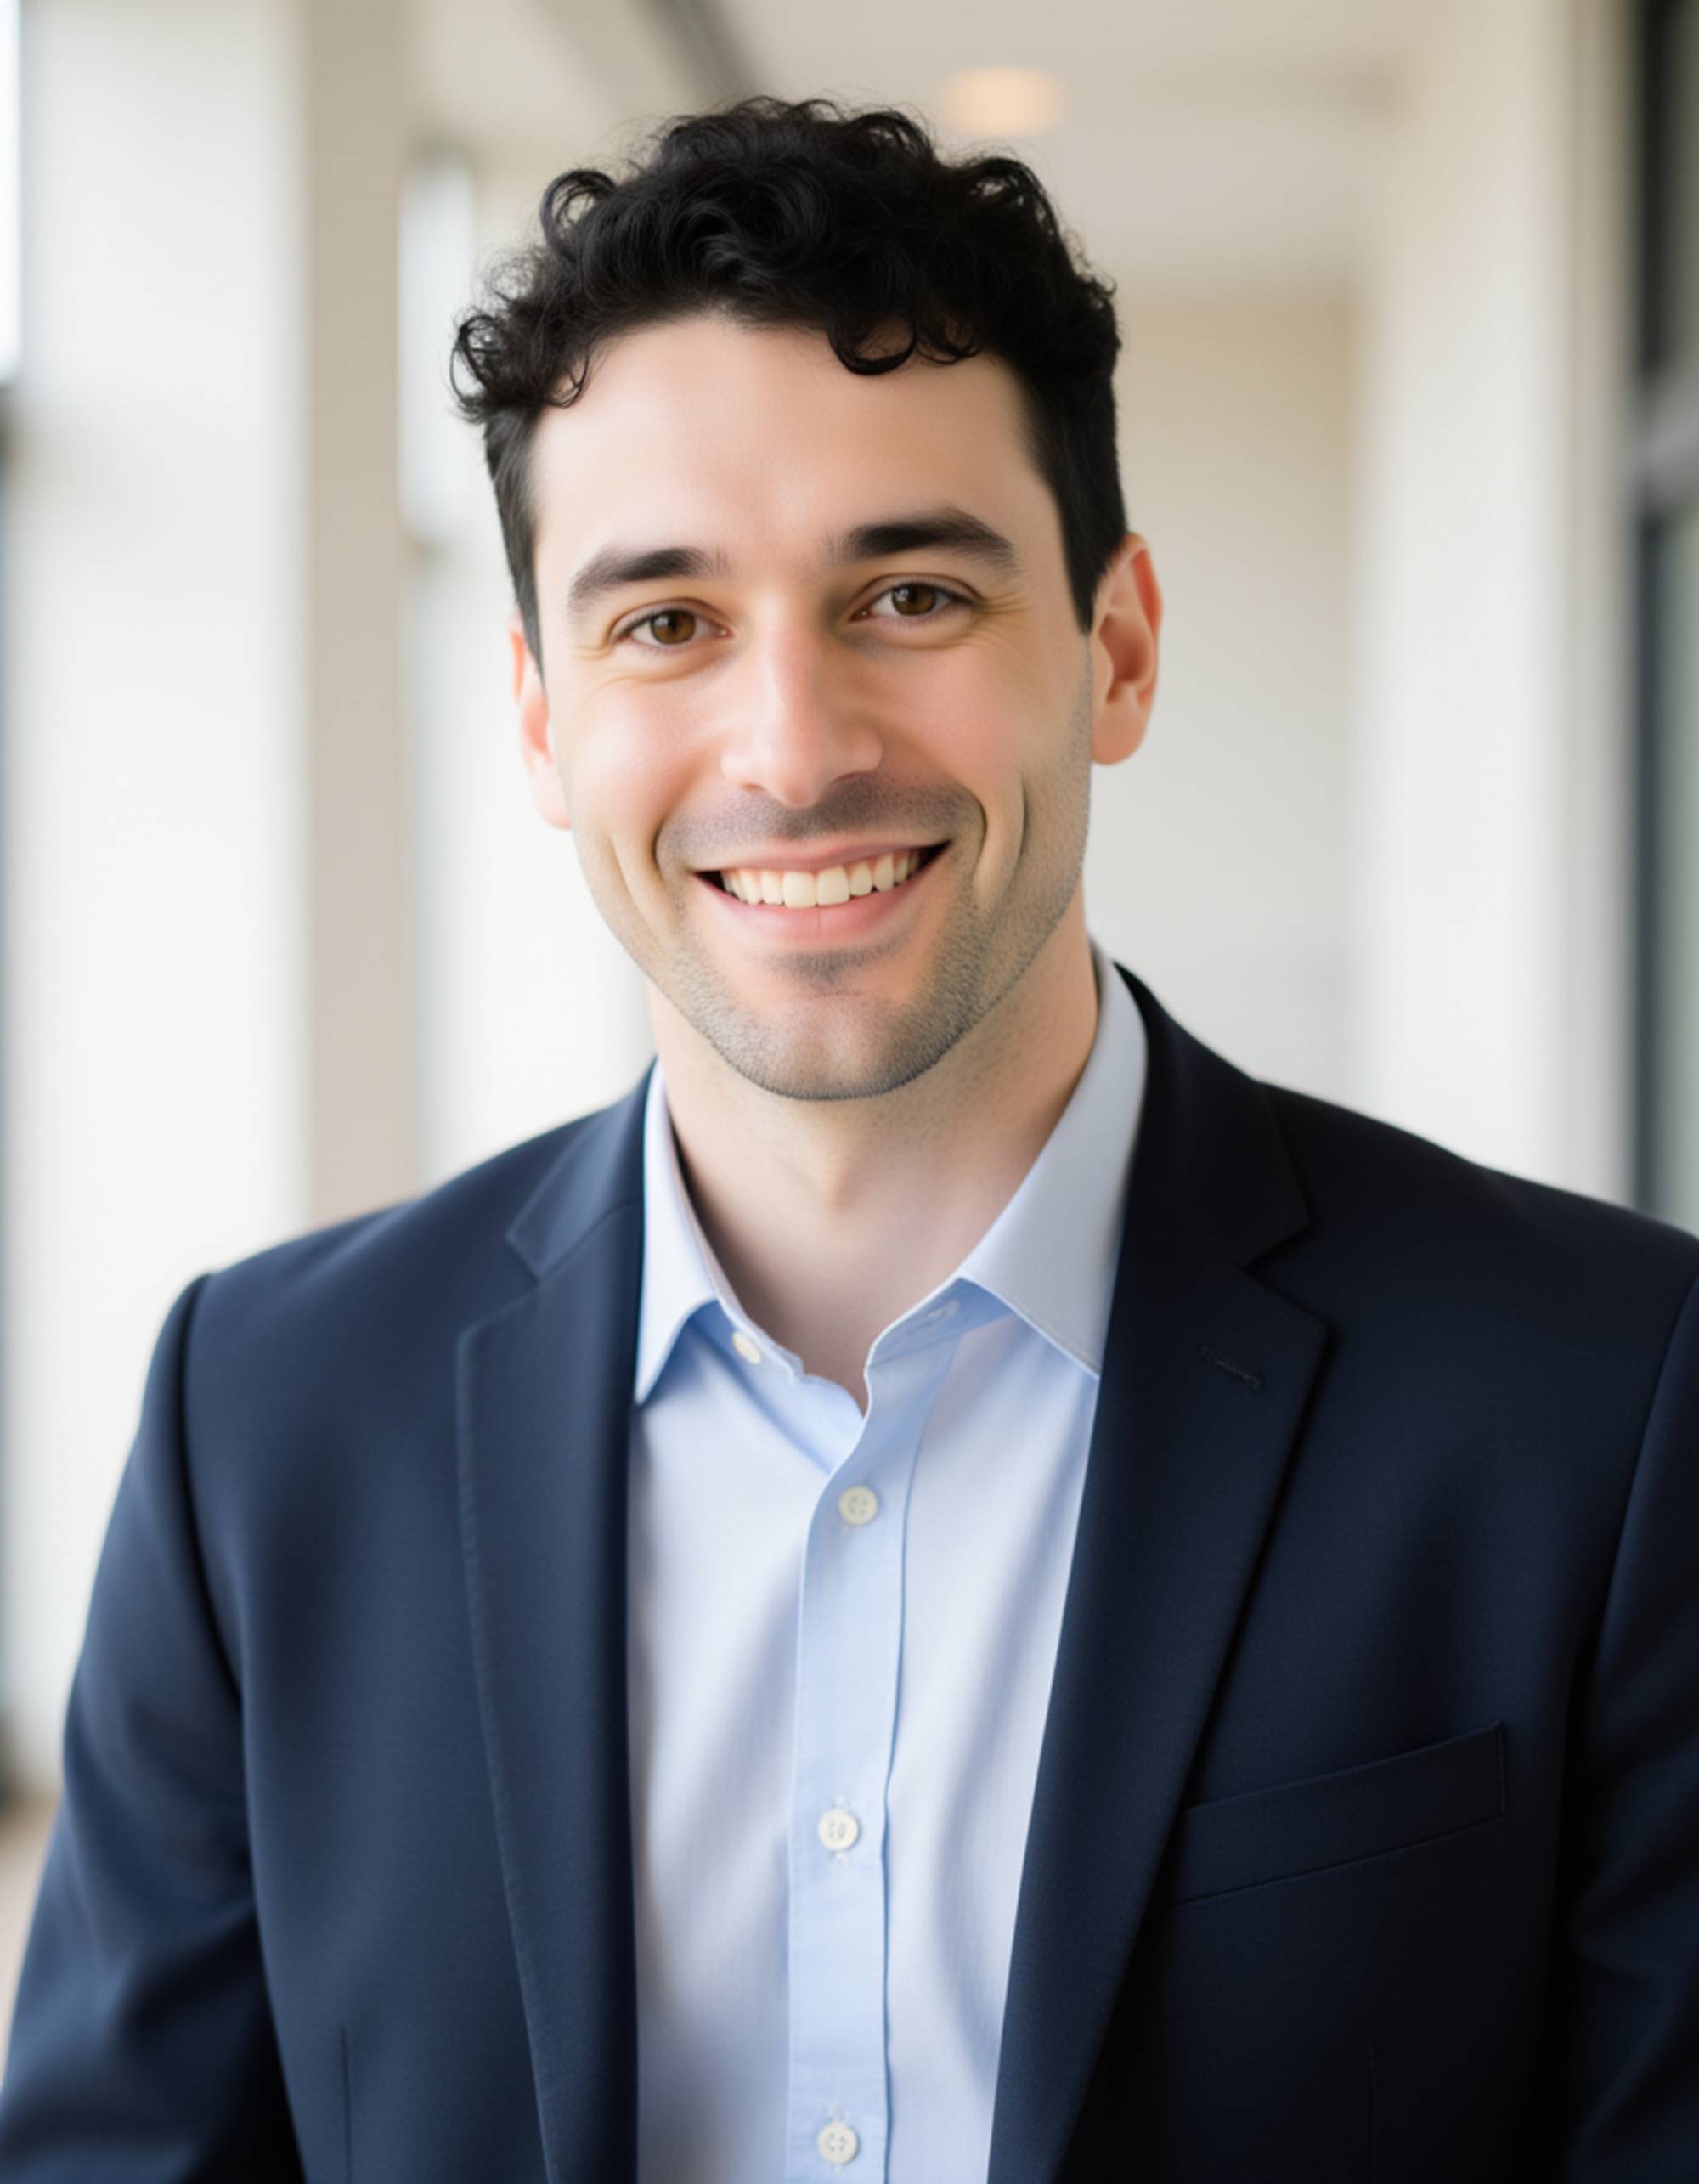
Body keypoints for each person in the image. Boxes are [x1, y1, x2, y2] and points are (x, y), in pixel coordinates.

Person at [0, 93, 1695, 2184]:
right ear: (541, 714)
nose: (791, 749)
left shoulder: (1596, 1400)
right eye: (665, 620)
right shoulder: (259, 1422)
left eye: (906, 594)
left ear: (1116, 647)